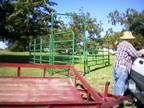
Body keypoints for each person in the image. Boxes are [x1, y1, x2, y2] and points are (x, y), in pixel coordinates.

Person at [114, 31, 144, 96]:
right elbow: (135, 54)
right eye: (131, 39)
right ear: (129, 38)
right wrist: (142, 51)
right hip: (122, 68)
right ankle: (117, 101)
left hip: (117, 67)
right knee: (120, 85)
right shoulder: (127, 44)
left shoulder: (121, 44)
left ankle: (120, 99)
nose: (132, 40)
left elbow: (129, 53)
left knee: (119, 84)